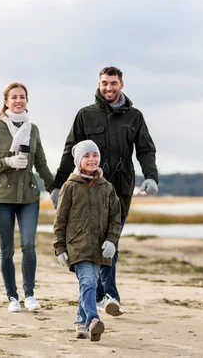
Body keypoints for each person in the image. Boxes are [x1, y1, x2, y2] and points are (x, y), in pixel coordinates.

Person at [51, 66, 159, 316]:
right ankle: (105, 295)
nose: (108, 88)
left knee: (112, 238)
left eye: (113, 83)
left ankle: (106, 294)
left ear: (121, 84)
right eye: (104, 83)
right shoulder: (85, 115)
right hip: (87, 188)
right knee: (91, 241)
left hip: (119, 187)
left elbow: (145, 149)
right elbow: (70, 150)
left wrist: (151, 177)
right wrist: (58, 185)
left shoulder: (134, 117)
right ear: (98, 85)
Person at [0, 82, 55, 312]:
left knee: (28, 246)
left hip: (29, 197)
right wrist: (7, 162)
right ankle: (12, 297)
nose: (18, 100)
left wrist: (54, 188)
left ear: (27, 101)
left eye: (22, 97)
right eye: (14, 97)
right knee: (7, 251)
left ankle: (30, 295)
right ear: (6, 101)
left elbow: (40, 162)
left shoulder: (33, 129)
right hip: (2, 198)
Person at [53, 140, 122, 342]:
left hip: (100, 248)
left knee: (87, 286)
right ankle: (93, 320)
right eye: (86, 156)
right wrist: (59, 248)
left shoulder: (107, 188)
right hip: (78, 246)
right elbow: (60, 219)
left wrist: (111, 240)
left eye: (95, 155)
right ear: (78, 161)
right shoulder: (70, 186)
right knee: (89, 282)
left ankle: (80, 322)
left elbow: (115, 218)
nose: (92, 159)